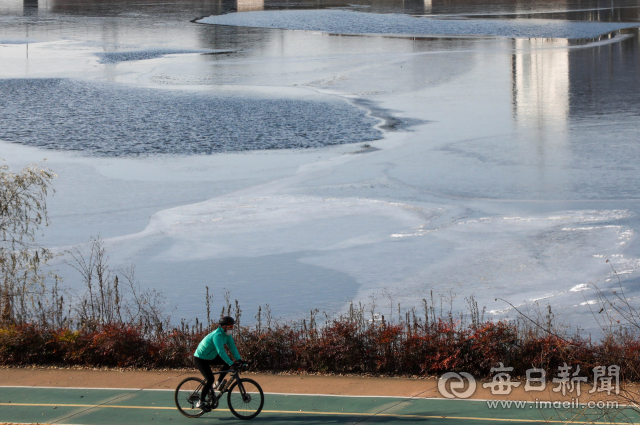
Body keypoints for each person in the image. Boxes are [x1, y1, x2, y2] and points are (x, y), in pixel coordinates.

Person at [193, 316, 243, 410]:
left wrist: (240, 361)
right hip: (201, 358)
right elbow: (221, 352)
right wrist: (232, 363)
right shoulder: (217, 336)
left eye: (232, 327)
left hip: (210, 356)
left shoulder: (227, 335)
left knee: (226, 363)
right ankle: (200, 402)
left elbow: (233, 348)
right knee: (210, 379)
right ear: (224, 327)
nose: (232, 329)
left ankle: (218, 383)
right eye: (230, 327)